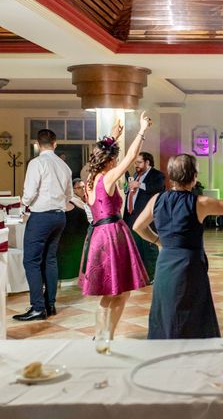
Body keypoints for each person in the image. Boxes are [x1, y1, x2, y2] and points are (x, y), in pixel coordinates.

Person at [134, 156, 223, 339]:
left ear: (171, 176)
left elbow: (138, 226)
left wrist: (158, 241)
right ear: (194, 177)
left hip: (165, 262)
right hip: (190, 264)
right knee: (193, 313)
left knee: (166, 311)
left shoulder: (157, 199)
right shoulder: (200, 202)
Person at [79, 112, 151, 338]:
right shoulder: (107, 178)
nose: (117, 162)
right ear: (110, 161)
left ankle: (102, 334)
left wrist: (113, 136)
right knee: (117, 292)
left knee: (113, 291)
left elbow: (107, 151)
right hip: (111, 235)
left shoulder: (91, 177)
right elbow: (131, 156)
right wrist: (142, 130)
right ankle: (105, 336)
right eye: (114, 159)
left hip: (100, 235)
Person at [13, 129, 72, 321]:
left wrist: (23, 207)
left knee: (31, 261)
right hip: (59, 217)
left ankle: (38, 308)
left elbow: (29, 192)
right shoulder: (64, 166)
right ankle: (50, 304)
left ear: (38, 144)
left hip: (41, 217)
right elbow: (69, 195)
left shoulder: (37, 163)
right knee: (50, 260)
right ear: (55, 144)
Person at [124, 152, 166, 282]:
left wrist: (139, 185)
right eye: (135, 162)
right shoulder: (137, 175)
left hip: (147, 218)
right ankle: (141, 275)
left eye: (139, 162)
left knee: (149, 246)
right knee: (136, 246)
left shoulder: (157, 175)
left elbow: (158, 188)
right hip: (132, 215)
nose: (136, 165)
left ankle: (152, 275)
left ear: (147, 163)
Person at [58, 178, 91, 280]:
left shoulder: (85, 199)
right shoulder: (74, 201)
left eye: (83, 187)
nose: (82, 190)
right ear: (73, 190)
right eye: (79, 188)